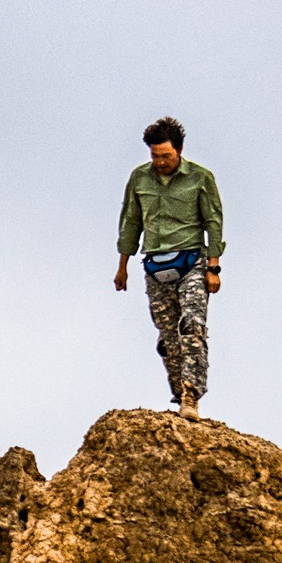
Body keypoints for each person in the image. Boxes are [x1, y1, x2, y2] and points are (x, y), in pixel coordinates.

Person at [113, 116, 224, 420]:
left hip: (192, 261)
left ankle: (191, 396)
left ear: (180, 150)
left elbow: (213, 222)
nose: (160, 162)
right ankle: (178, 392)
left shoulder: (200, 178)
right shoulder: (139, 179)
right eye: (155, 155)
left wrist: (213, 268)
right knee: (168, 338)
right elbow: (130, 222)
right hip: (154, 266)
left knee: (192, 326)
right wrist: (122, 267)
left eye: (166, 155)